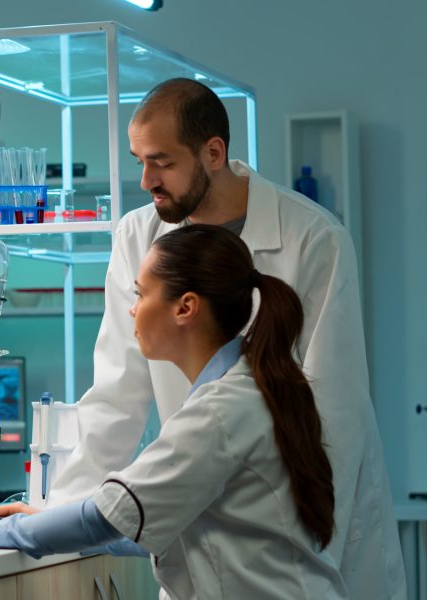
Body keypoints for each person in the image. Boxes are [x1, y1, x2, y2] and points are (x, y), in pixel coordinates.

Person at [44, 78, 404, 597]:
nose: (146, 179)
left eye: (162, 162)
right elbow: (115, 397)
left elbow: (335, 416)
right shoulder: (138, 237)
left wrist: (303, 549)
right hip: (208, 542)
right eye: (138, 159)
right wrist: (65, 515)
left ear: (214, 152)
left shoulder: (313, 238)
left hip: (308, 542)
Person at [0, 224, 346, 598]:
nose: (133, 310)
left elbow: (102, 518)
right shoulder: (245, 390)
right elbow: (151, 524)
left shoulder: (220, 411)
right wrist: (41, 520)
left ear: (185, 308)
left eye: (140, 294)